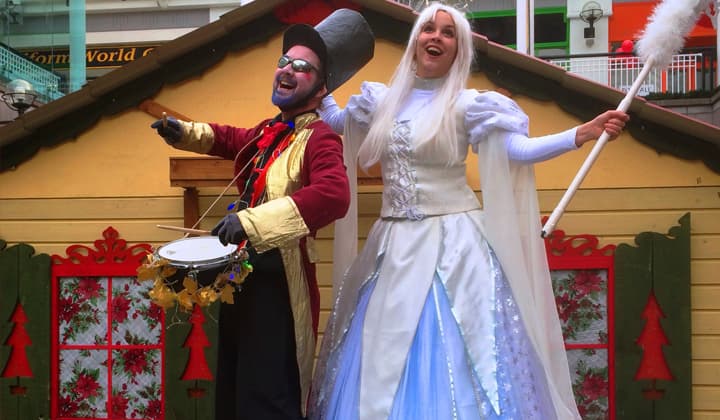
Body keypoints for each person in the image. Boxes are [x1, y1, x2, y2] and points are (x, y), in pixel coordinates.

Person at [309, 3, 628, 420]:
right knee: (379, 353)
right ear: (414, 42)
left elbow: (516, 150)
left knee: (465, 354)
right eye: (428, 29)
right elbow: (335, 120)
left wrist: (579, 134)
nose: (435, 37)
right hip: (391, 250)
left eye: (447, 32)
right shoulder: (381, 102)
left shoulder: (468, 105)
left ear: (458, 49)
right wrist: (312, 70)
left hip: (454, 249)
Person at [150, 9, 374, 420]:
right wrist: (184, 132)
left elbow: (333, 194)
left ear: (321, 86)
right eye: (284, 62)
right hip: (243, 280)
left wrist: (250, 222)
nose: (287, 71)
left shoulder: (319, 136)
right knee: (237, 388)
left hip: (280, 289)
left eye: (302, 67)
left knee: (268, 394)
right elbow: (230, 138)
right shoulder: (269, 131)